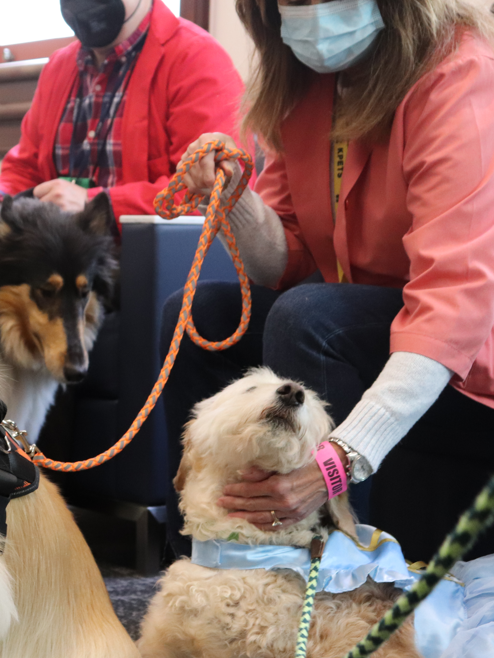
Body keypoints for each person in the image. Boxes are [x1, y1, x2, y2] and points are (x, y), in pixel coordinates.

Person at [161, 0, 494, 562]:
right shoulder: (305, 87)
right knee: (197, 313)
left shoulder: (458, 76)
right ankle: (203, 555)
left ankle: (330, 570)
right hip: (364, 327)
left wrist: (338, 462)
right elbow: (282, 261)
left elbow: (452, 307)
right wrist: (235, 198)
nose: (309, 10)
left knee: (308, 318)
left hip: (464, 366)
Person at [0, 0, 244, 226]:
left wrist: (96, 204)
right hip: (61, 265)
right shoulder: (58, 67)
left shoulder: (197, 59)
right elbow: (27, 169)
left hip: (146, 269)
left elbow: (212, 191)